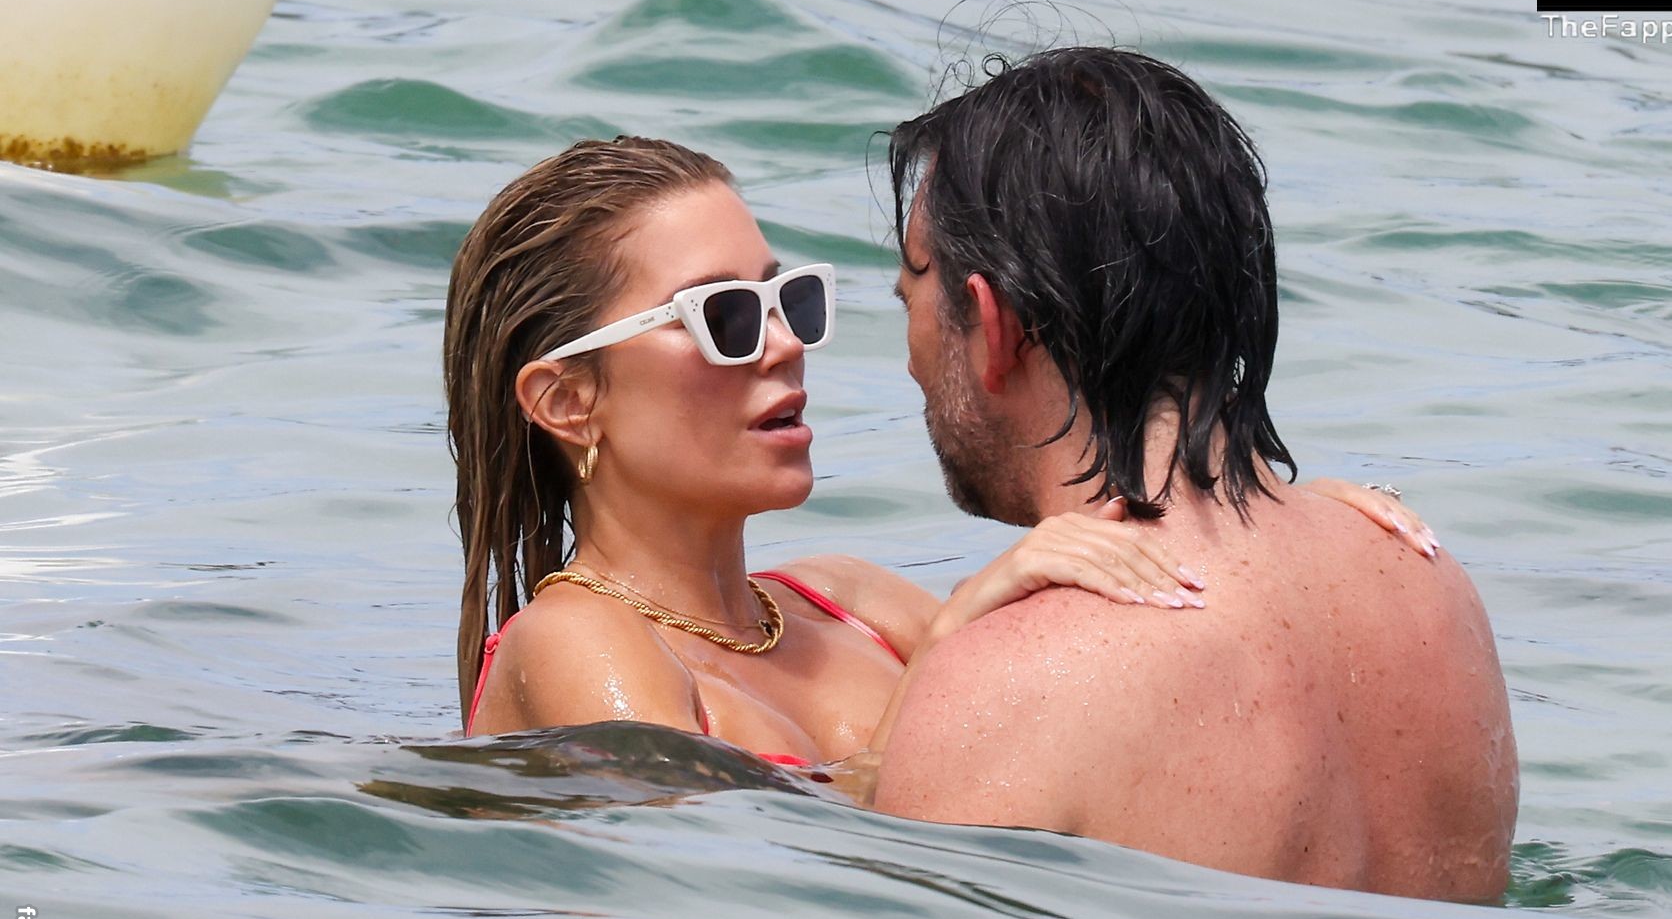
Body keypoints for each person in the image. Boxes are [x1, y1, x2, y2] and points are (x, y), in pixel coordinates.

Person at [442, 137, 1433, 771]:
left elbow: (1130, 656)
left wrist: (1284, 524)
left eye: (792, 299)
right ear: (568, 402)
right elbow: (720, 893)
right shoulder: (573, 642)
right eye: (725, 316)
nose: (785, 343)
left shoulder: (850, 602)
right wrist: (954, 635)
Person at [869, 47, 1518, 901]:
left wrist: (934, 670)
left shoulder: (1007, 683)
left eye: (910, 296)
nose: (910, 356)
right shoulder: (1432, 588)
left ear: (996, 326)